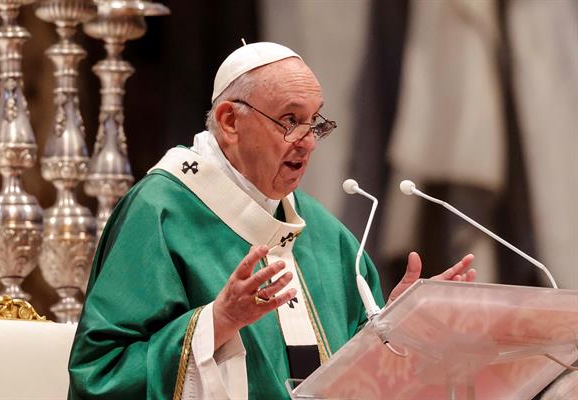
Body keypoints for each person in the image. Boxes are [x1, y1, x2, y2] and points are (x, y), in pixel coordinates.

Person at [68, 42, 475, 399]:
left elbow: (352, 376)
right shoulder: (160, 212)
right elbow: (101, 375)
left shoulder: (325, 234)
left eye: (315, 121)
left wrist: (396, 324)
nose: (308, 140)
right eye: (290, 120)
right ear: (230, 122)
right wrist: (219, 322)